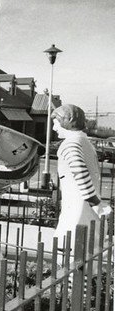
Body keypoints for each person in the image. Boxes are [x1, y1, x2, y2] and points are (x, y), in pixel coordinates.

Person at [52, 104, 112, 251]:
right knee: (89, 249)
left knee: (69, 248)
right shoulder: (86, 143)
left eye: (55, 123)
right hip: (86, 209)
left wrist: (95, 202)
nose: (54, 128)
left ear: (66, 122)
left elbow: (79, 171)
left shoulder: (70, 144)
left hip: (77, 208)